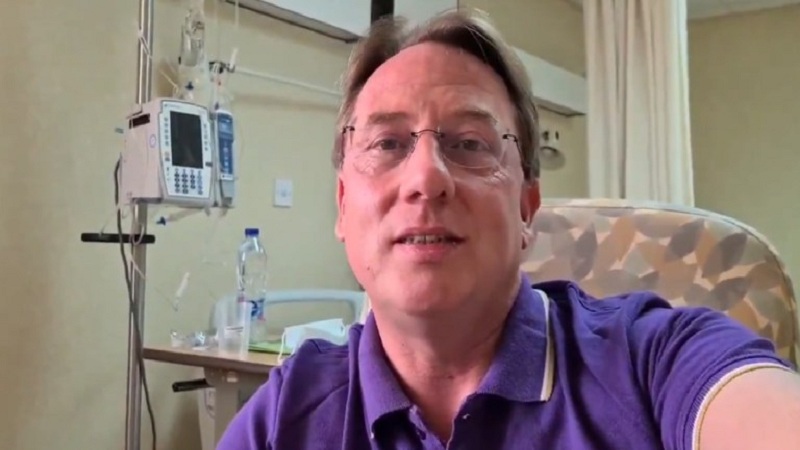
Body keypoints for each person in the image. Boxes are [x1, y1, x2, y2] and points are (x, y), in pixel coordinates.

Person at [218, 8, 800, 450]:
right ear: (344, 206)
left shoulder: (656, 360)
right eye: (388, 144)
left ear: (526, 206)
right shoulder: (285, 413)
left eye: (470, 144)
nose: (426, 177)